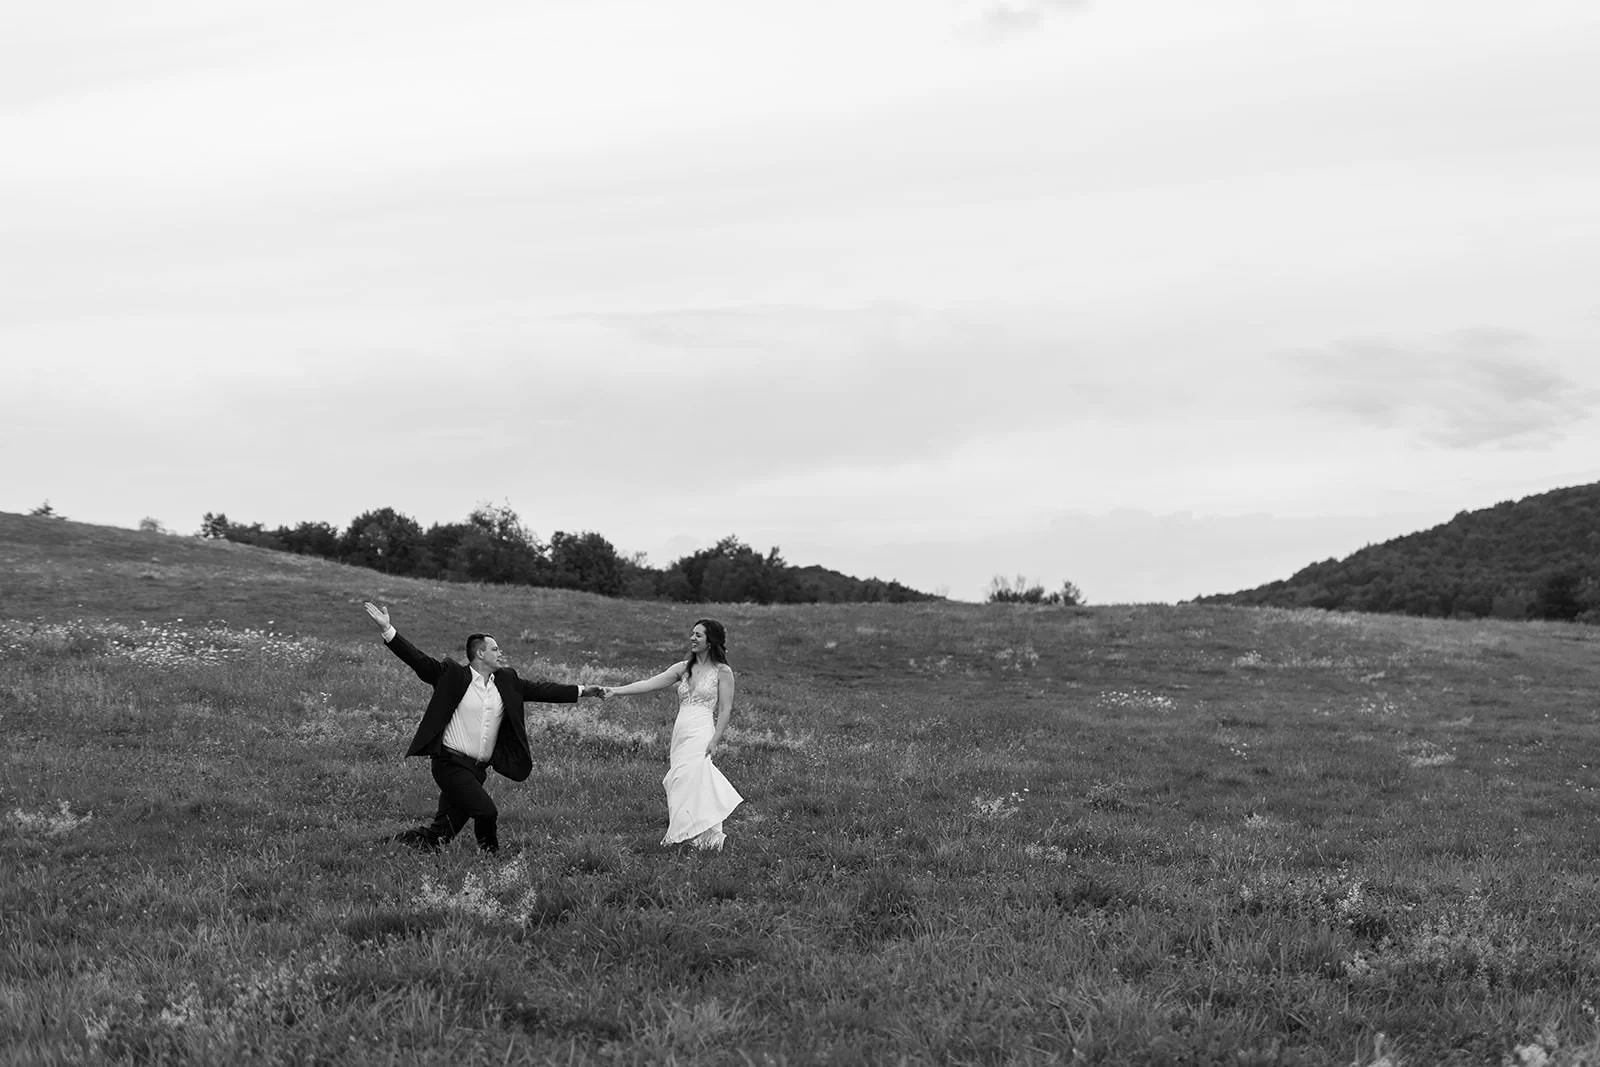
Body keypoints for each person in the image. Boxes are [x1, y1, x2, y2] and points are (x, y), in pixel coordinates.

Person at [364, 601, 603, 853]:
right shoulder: (452, 675)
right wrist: (388, 629)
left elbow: (543, 689)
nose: (500, 653)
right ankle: (490, 858)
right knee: (486, 811)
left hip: (477, 771)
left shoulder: (507, 681)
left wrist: (583, 691)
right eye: (495, 649)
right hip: (450, 764)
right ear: (480, 654)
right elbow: (418, 660)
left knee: (441, 833)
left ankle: (387, 846)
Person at [603, 618, 743, 851]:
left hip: (702, 729)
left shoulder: (723, 672)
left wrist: (715, 740)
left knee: (691, 776)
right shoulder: (682, 668)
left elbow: (726, 709)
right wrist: (615, 691)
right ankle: (695, 834)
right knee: (680, 780)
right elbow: (648, 684)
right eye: (692, 634)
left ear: (711, 641)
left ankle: (693, 835)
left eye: (698, 635)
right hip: (681, 730)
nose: (693, 638)